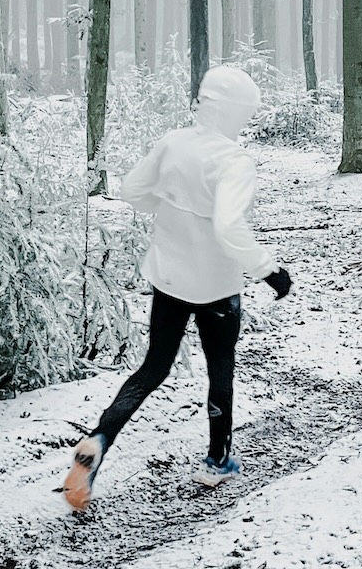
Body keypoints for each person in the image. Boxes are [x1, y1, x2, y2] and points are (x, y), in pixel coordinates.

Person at [63, 65, 292, 510]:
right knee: (220, 370)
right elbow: (229, 226)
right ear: (237, 113)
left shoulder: (174, 142)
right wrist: (270, 271)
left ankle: (99, 440)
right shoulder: (234, 161)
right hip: (216, 288)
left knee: (153, 368)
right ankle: (217, 461)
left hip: (168, 278)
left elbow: (133, 190)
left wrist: (167, 207)